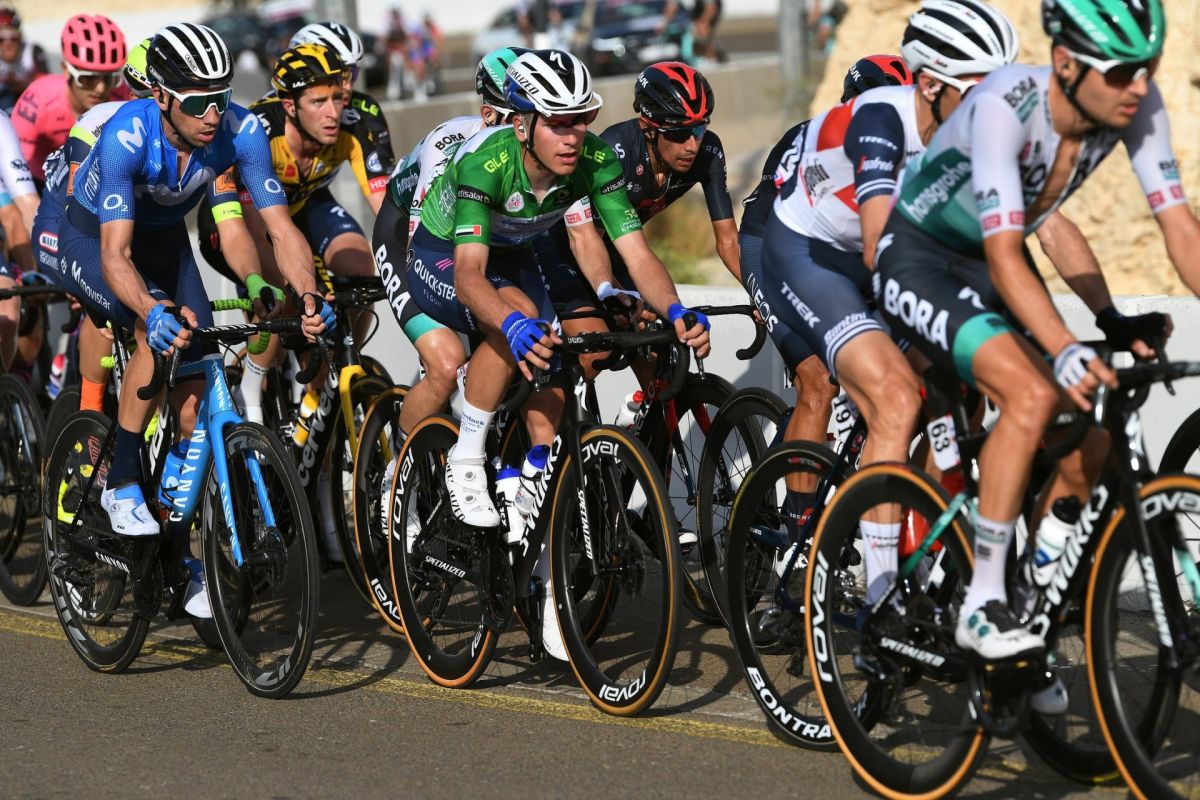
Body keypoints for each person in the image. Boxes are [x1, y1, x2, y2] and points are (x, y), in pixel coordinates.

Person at [874, 0, 1193, 664]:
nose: (1140, 85)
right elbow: (1004, 253)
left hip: (992, 267)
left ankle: (1027, 601)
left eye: (1150, 66)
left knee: (1090, 446)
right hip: (921, 260)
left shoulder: (1136, 103)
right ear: (1066, 63)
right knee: (1032, 393)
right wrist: (1065, 348)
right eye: (1123, 70)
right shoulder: (1004, 104)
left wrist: (1105, 322)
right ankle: (983, 605)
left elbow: (1180, 228)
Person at [54, 23, 331, 616]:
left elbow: (279, 229)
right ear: (161, 98)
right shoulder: (127, 135)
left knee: (195, 394)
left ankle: (179, 556)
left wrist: (303, 295)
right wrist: (149, 310)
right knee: (156, 330)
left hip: (164, 245)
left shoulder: (241, 131)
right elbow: (115, 256)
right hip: (92, 239)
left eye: (221, 97)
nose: (213, 114)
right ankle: (121, 483)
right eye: (198, 102)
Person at [758, 0, 1017, 593]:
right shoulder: (879, 118)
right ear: (932, 86)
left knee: (964, 390)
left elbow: (1026, 235)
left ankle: (915, 541)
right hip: (810, 254)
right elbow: (881, 246)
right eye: (979, 88)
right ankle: (880, 589)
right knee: (893, 398)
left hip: (882, 259)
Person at [405, 48, 710, 529]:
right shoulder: (485, 162)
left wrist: (675, 310)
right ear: (522, 125)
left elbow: (636, 254)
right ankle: (466, 458)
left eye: (580, 121)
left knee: (556, 360)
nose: (572, 137)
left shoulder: (595, 159)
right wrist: (509, 324)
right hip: (442, 254)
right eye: (557, 123)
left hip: (512, 251)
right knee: (517, 319)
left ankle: (529, 478)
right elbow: (468, 277)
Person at [738, 54, 912, 528]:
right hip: (770, 249)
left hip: (837, 263)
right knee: (818, 381)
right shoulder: (812, 140)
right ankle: (800, 525)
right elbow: (773, 234)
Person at [374, 46, 527, 448]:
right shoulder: (450, 143)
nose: (529, 131)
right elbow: (421, 241)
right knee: (446, 365)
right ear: (489, 115)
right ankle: (397, 469)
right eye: (518, 118)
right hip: (409, 236)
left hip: (474, 241)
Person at [12, 14, 129, 190]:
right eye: (88, 78)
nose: (100, 88)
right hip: (40, 180)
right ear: (66, 70)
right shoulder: (39, 99)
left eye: (110, 78)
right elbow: (12, 164)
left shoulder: (123, 95)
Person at [289, 21, 395, 172]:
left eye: (352, 74)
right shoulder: (268, 114)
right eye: (338, 76)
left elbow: (386, 173)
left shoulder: (366, 108)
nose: (348, 86)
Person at [0, 7, 46, 113]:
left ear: (20, 36)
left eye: (13, 38)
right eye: (1, 40)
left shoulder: (32, 50)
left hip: (29, 103)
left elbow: (45, 86)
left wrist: (20, 84)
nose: (8, 44)